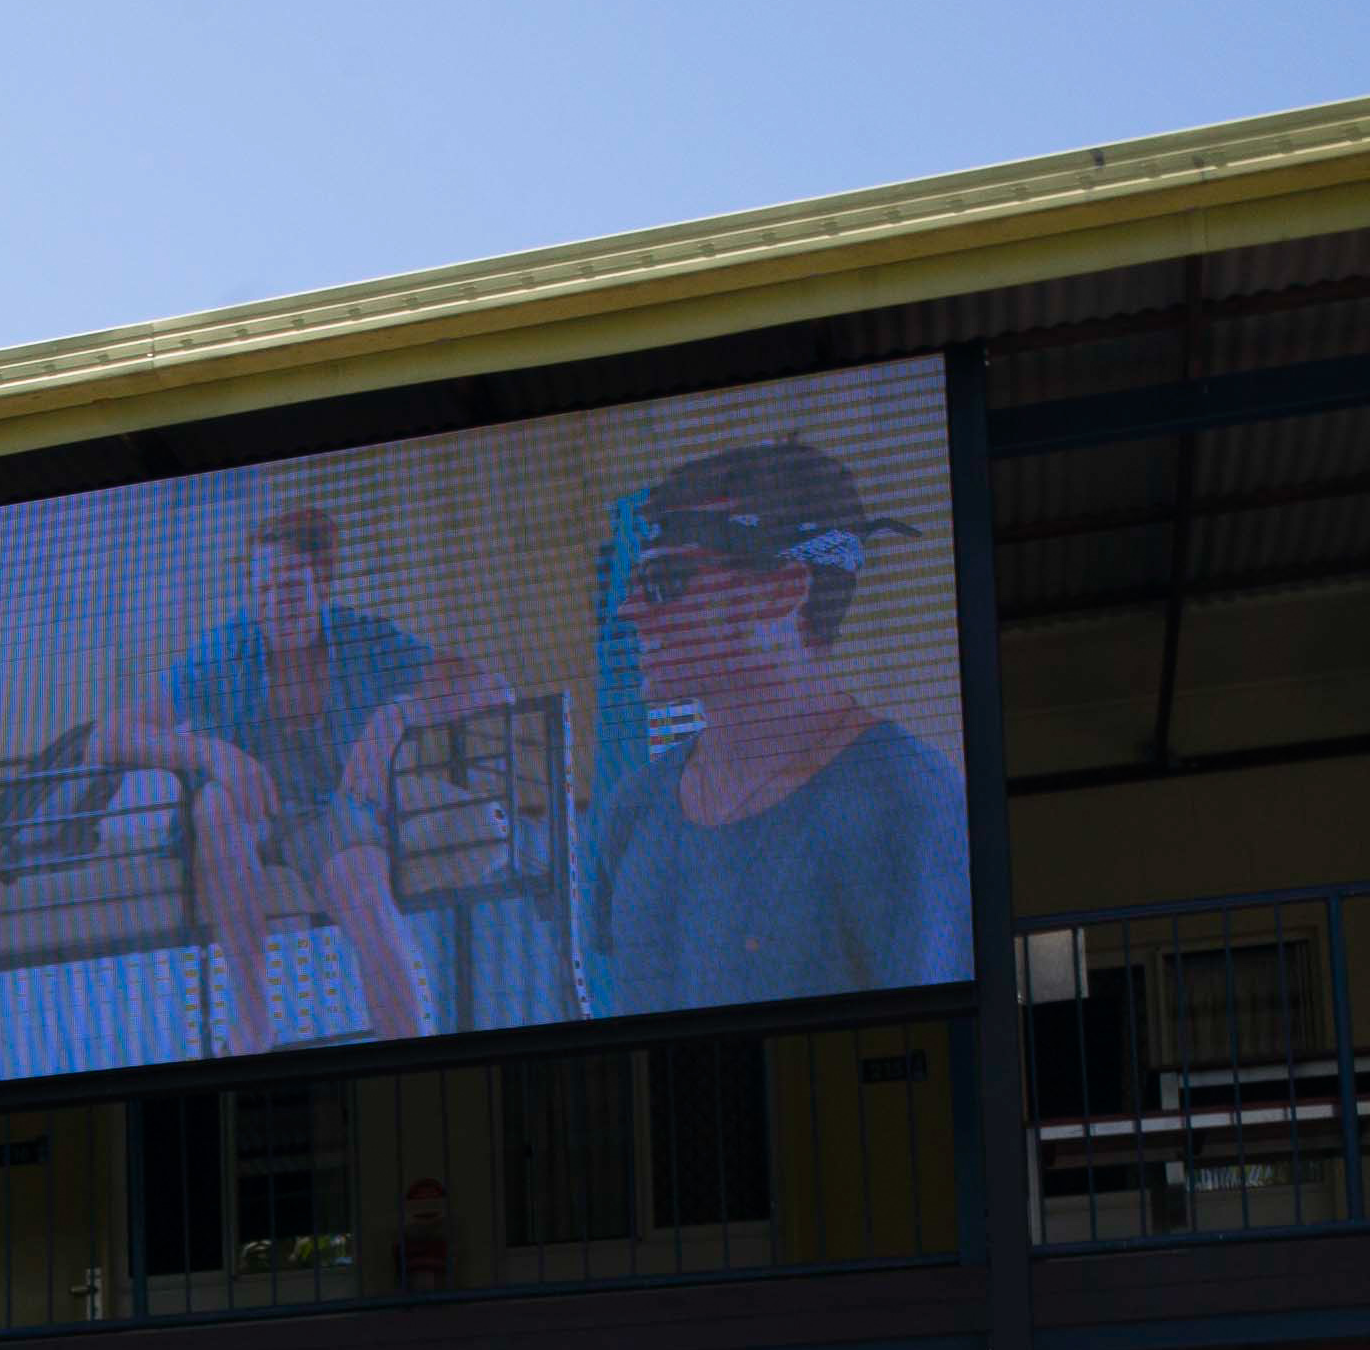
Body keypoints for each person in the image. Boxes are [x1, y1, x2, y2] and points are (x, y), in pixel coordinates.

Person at [583, 439, 972, 1022]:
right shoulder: (631, 811)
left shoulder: (907, 802)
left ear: (782, 590)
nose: (628, 610)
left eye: (665, 582)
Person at [91, 503, 502, 1054]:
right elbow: (111, 735)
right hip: (244, 815)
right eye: (261, 591)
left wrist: (394, 717)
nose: (275, 605)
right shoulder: (226, 648)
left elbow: (492, 688)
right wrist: (215, 753)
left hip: (330, 811)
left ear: (322, 581)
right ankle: (254, 1019)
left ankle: (415, 1057)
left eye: (289, 588)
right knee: (214, 804)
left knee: (364, 888)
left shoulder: (363, 640)